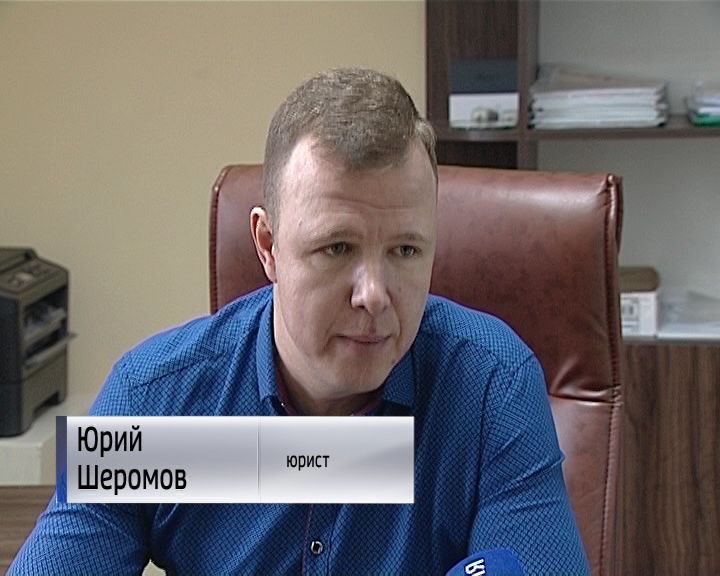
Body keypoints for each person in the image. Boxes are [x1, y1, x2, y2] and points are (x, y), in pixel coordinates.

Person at [10, 68, 589, 575]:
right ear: (267, 245)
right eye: (337, 248)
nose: (374, 296)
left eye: (406, 251)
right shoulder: (151, 398)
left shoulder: (492, 387)